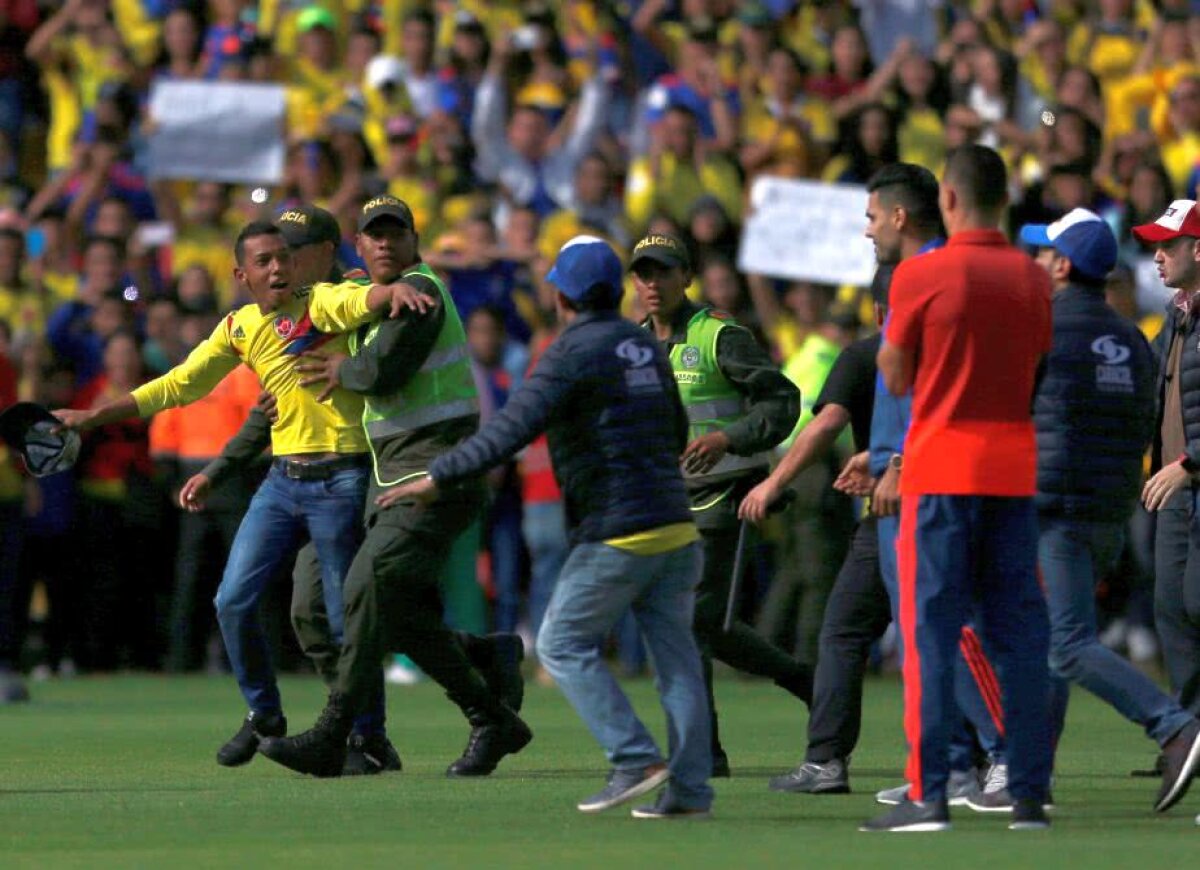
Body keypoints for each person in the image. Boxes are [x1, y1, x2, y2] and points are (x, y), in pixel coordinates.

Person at [51, 220, 419, 768]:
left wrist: (401, 289)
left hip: (341, 478)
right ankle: (265, 714)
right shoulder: (240, 328)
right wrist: (95, 416)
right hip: (281, 482)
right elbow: (179, 383)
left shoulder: (320, 303)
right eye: (264, 261)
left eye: (283, 259)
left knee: (345, 619)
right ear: (241, 274)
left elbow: (366, 297)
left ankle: (370, 737)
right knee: (231, 600)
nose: (277, 268)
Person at [374, 235, 713, 818]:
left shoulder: (569, 351)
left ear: (560, 294)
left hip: (619, 529)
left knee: (559, 643)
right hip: (677, 528)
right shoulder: (642, 343)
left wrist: (436, 475)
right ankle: (689, 790)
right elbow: (676, 427)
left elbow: (509, 431)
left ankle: (633, 757)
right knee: (677, 662)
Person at [254, 195, 532, 779]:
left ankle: (343, 733)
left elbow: (381, 371)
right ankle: (485, 679)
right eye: (374, 235)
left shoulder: (419, 292)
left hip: (436, 467)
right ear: (357, 246)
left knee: (366, 587)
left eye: (394, 233)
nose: (384, 243)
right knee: (332, 603)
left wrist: (340, 370)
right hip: (382, 473)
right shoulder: (361, 297)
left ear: (413, 240)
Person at [749, 164, 1002, 801]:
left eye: (869, 218)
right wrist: (880, 456)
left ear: (898, 217)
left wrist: (901, 463)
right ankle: (947, 768)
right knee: (916, 632)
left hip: (930, 486)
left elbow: (952, 388)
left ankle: (1007, 759)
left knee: (948, 627)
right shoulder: (916, 288)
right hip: (896, 488)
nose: (864, 232)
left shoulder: (939, 281)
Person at [864, 145, 1053, 833]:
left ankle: (930, 794)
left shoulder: (921, 275)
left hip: (941, 471)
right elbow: (1034, 359)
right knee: (1021, 635)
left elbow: (893, 374)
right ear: (1004, 199)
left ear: (947, 199)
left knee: (931, 635)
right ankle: (1029, 792)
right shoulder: (1034, 281)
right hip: (1013, 470)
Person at [1022, 207, 1200, 813]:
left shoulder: (1042, 324)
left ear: (1064, 265)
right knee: (1055, 638)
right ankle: (1028, 778)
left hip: (1060, 508)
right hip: (1113, 511)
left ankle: (1174, 726)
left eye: (1045, 254)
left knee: (1066, 644)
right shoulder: (1133, 333)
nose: (1037, 262)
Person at [629, 231, 806, 777]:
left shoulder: (720, 336)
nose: (653, 283)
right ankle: (808, 682)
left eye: (663, 271)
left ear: (686, 277)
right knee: (710, 626)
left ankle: (703, 752)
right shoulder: (631, 343)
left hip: (722, 497)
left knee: (686, 620)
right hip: (663, 505)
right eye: (643, 273)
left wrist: (728, 438)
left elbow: (782, 401)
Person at [1137, 200, 1200, 812]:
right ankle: (1187, 736)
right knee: (1172, 610)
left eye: (1169, 244)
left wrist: (1189, 464)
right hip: (1176, 490)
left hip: (1191, 482)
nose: (1157, 254)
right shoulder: (1177, 315)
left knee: (1195, 605)